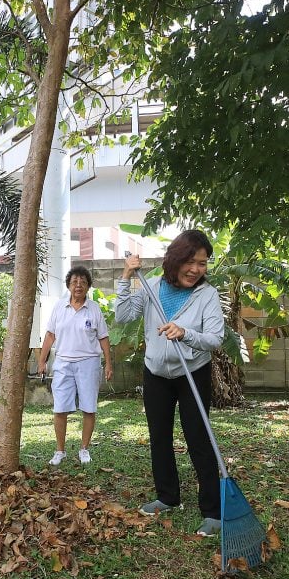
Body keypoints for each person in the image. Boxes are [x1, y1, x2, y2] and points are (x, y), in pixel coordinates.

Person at [114, 230, 225, 537]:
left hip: (193, 373)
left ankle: (212, 510)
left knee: (199, 440)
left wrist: (185, 333)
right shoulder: (152, 287)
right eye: (190, 261)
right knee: (159, 437)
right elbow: (123, 316)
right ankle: (167, 496)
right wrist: (126, 276)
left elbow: (215, 339)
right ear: (175, 260)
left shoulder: (207, 295)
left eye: (202, 263)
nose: (196, 269)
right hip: (156, 374)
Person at [38, 266, 114, 466]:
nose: (78, 285)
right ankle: (60, 451)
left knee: (89, 407)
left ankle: (84, 449)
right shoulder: (59, 307)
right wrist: (42, 360)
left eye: (82, 282)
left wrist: (108, 363)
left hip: (89, 363)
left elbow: (103, 337)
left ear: (88, 286)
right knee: (60, 407)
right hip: (63, 363)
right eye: (74, 282)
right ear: (69, 285)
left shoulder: (94, 308)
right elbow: (50, 335)